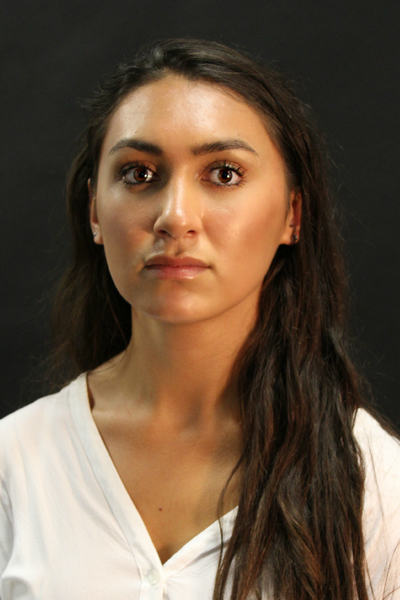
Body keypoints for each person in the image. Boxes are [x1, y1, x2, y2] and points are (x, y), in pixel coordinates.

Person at [0, 38, 399, 600]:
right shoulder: (15, 464)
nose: (175, 216)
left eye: (224, 174)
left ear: (293, 214)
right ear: (94, 211)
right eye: (139, 174)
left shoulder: (372, 482)